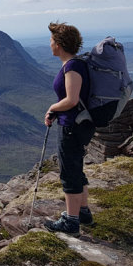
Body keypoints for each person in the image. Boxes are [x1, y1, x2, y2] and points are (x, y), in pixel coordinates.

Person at [43, 22, 95, 236]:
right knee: (76, 167)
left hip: (71, 127)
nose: (50, 44)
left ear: (60, 44)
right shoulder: (75, 64)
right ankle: (83, 212)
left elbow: (72, 100)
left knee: (69, 173)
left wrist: (52, 108)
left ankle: (71, 222)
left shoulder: (72, 67)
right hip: (75, 125)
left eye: (52, 41)